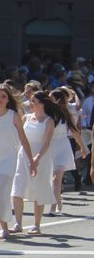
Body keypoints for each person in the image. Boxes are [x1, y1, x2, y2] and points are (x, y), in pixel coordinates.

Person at [0, 85, 33, 241]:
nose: (0, 99)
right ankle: (5, 229)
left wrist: (31, 161)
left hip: (9, 158)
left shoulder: (14, 115)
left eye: (3, 96)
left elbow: (23, 139)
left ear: (8, 99)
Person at [11, 92, 62, 235]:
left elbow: (47, 143)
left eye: (34, 101)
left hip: (42, 158)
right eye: (30, 101)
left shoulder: (49, 121)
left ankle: (36, 225)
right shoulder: (26, 118)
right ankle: (18, 224)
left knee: (39, 189)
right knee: (17, 188)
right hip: (24, 156)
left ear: (42, 103)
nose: (31, 103)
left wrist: (37, 158)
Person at [46, 87, 87, 215]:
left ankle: (53, 207)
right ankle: (58, 200)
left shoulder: (66, 114)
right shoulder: (46, 113)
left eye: (52, 99)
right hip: (49, 147)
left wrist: (83, 147)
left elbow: (75, 132)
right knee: (51, 178)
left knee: (56, 178)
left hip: (62, 146)